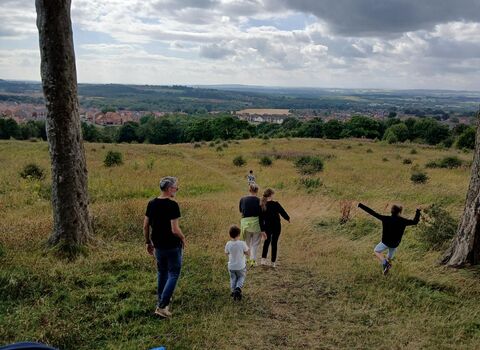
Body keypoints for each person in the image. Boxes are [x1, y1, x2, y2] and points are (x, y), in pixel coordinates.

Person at [144, 176, 186, 318]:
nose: (177, 190)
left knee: (162, 272)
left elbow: (145, 225)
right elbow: (174, 229)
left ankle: (161, 301)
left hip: (158, 246)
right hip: (172, 245)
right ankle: (162, 307)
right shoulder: (172, 205)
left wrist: (147, 242)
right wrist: (183, 237)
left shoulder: (151, 203)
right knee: (174, 273)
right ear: (169, 189)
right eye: (176, 187)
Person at [358, 202, 421, 275]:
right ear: (400, 212)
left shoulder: (385, 218)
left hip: (385, 242)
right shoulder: (403, 221)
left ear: (391, 211)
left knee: (376, 251)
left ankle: (385, 263)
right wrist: (418, 211)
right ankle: (386, 270)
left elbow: (373, 213)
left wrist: (360, 205)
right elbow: (415, 222)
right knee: (389, 258)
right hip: (395, 244)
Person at [260, 188, 290, 268]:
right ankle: (273, 262)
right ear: (271, 195)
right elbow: (283, 212)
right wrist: (288, 218)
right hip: (276, 226)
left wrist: (262, 229)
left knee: (267, 242)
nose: (274, 195)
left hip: (267, 226)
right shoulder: (276, 204)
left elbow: (261, 219)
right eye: (273, 194)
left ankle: (263, 259)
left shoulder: (263, 204)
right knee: (274, 243)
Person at [239, 183, 266, 266]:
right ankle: (253, 261)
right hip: (256, 225)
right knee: (255, 244)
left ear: (249, 190)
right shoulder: (260, 200)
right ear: (257, 191)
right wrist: (263, 230)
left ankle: (246, 260)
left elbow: (241, 211)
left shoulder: (242, 199)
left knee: (246, 243)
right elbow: (262, 216)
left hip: (245, 224)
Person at [225, 225, 249, 301]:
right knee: (241, 277)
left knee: (233, 278)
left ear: (230, 235)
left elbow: (226, 253)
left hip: (231, 266)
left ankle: (233, 291)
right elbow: (247, 253)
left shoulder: (228, 243)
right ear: (239, 234)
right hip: (241, 266)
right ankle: (238, 289)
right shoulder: (242, 243)